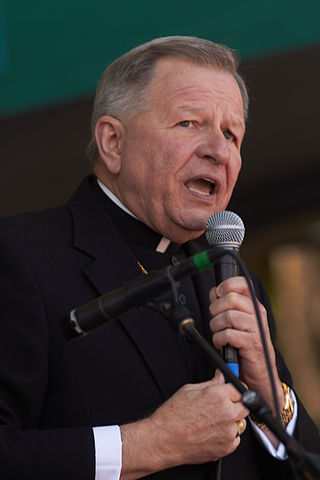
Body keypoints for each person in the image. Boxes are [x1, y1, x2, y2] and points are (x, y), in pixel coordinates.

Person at [0, 36, 319, 480]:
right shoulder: (19, 257)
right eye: (189, 123)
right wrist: (147, 444)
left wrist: (272, 392)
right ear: (112, 141)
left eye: (231, 134)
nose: (219, 150)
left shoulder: (231, 276)